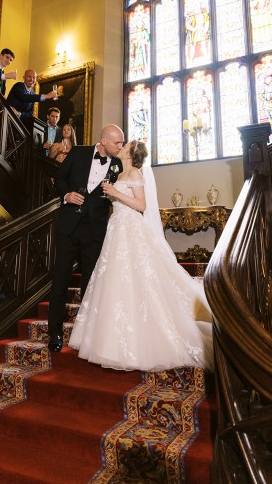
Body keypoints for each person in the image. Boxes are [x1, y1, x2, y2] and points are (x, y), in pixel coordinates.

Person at [69, 140, 213, 372]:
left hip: (132, 229)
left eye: (125, 145)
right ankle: (110, 340)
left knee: (138, 277)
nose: (121, 147)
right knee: (114, 279)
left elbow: (141, 205)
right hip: (117, 228)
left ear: (130, 153)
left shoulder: (134, 172)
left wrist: (115, 193)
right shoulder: (120, 172)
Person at [48, 124, 124, 352]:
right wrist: (67, 195)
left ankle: (86, 335)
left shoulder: (119, 164)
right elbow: (59, 178)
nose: (120, 147)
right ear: (103, 140)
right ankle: (55, 334)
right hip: (69, 228)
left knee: (90, 286)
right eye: (117, 143)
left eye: (121, 143)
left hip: (95, 232)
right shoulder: (79, 152)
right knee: (60, 281)